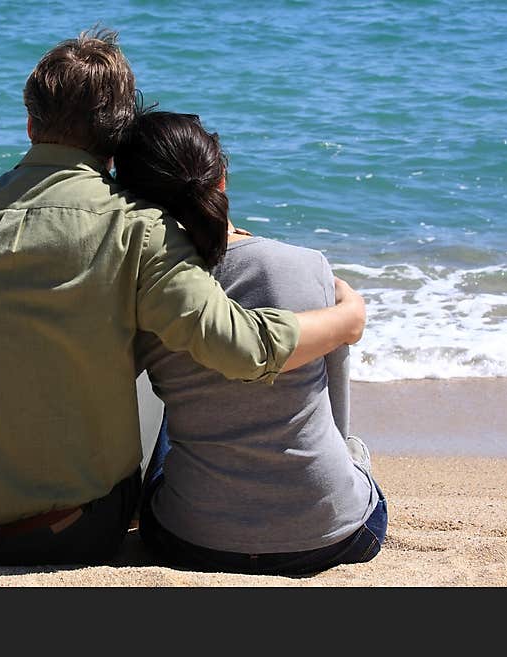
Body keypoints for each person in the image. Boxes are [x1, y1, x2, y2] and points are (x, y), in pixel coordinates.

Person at [0, 29, 367, 567]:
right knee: (156, 322)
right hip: (66, 534)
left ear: (30, 123)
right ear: (117, 139)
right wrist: (345, 319)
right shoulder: (141, 228)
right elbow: (242, 351)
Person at [114, 111, 386, 575]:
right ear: (221, 178)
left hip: (193, 540)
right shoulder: (305, 265)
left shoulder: (144, 289)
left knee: (169, 388)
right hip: (333, 533)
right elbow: (336, 388)